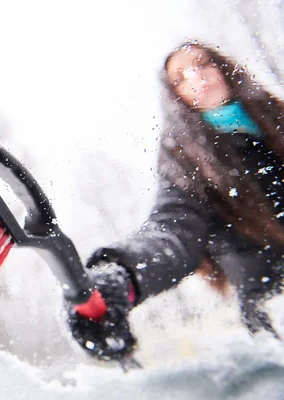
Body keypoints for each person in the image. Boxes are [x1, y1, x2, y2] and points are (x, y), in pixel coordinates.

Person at [68, 42, 284, 362]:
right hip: (274, 310)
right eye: (181, 77)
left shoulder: (277, 115)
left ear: (223, 67)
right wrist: (124, 276)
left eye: (202, 63)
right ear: (175, 96)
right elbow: (173, 231)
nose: (197, 77)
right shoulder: (184, 161)